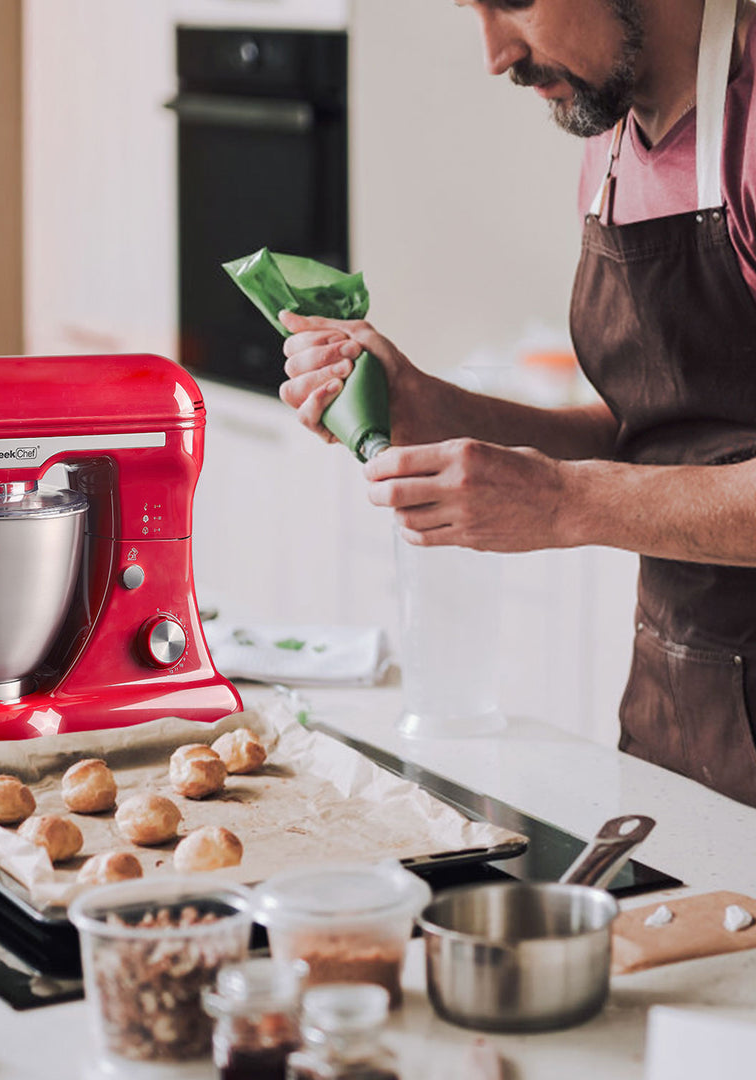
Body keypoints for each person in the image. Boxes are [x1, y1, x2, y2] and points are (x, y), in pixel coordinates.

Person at [278, 0, 756, 806]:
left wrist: (563, 503)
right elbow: (660, 429)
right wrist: (433, 407)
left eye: (511, 1)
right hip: (679, 724)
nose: (496, 55)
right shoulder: (610, 139)